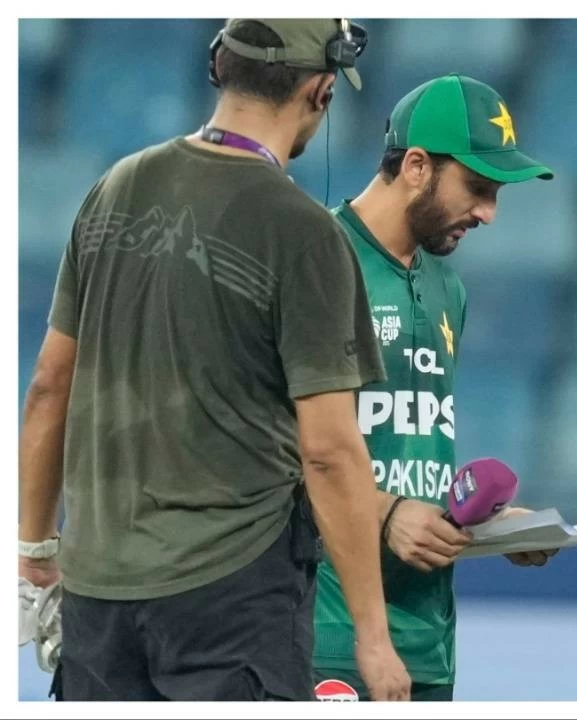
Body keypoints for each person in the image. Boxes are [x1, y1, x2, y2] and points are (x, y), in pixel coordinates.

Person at [17, 18, 412, 701]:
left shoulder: (115, 186)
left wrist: (33, 555)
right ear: (321, 91)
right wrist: (374, 641)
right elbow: (328, 452)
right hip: (232, 599)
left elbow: (50, 385)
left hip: (98, 591)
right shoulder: (304, 233)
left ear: (219, 70)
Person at [311, 73, 558, 702]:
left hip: (428, 637)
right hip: (329, 630)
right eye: (477, 188)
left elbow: (406, 442)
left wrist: (486, 527)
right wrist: (387, 513)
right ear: (416, 166)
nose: (488, 213)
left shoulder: (448, 286)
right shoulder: (317, 261)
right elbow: (270, 449)